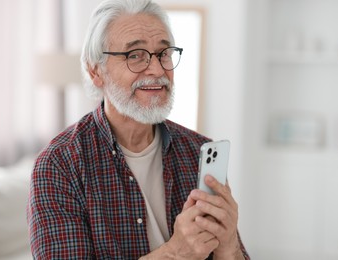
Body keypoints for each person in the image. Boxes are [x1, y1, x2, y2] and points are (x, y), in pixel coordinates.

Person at [27, 0, 250, 259]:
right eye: (135, 55)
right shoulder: (58, 165)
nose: (157, 70)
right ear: (95, 70)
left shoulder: (198, 151)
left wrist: (228, 244)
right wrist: (175, 253)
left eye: (164, 53)